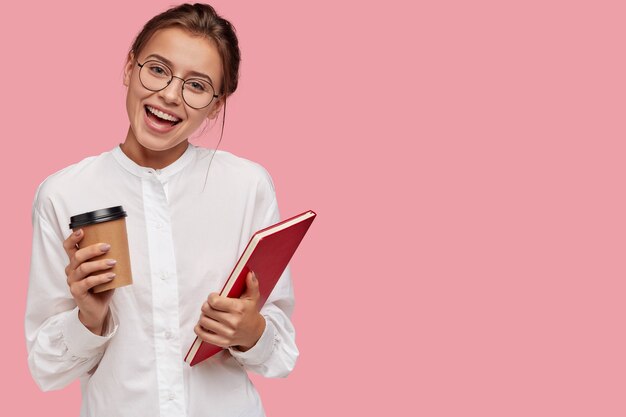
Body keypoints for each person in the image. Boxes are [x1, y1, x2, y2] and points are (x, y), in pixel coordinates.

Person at [25, 3, 298, 416]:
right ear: (128, 68)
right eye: (157, 69)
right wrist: (89, 318)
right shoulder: (63, 194)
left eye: (197, 85)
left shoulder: (248, 187)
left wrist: (251, 331)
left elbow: (282, 355)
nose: (170, 95)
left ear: (216, 105)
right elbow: (46, 370)